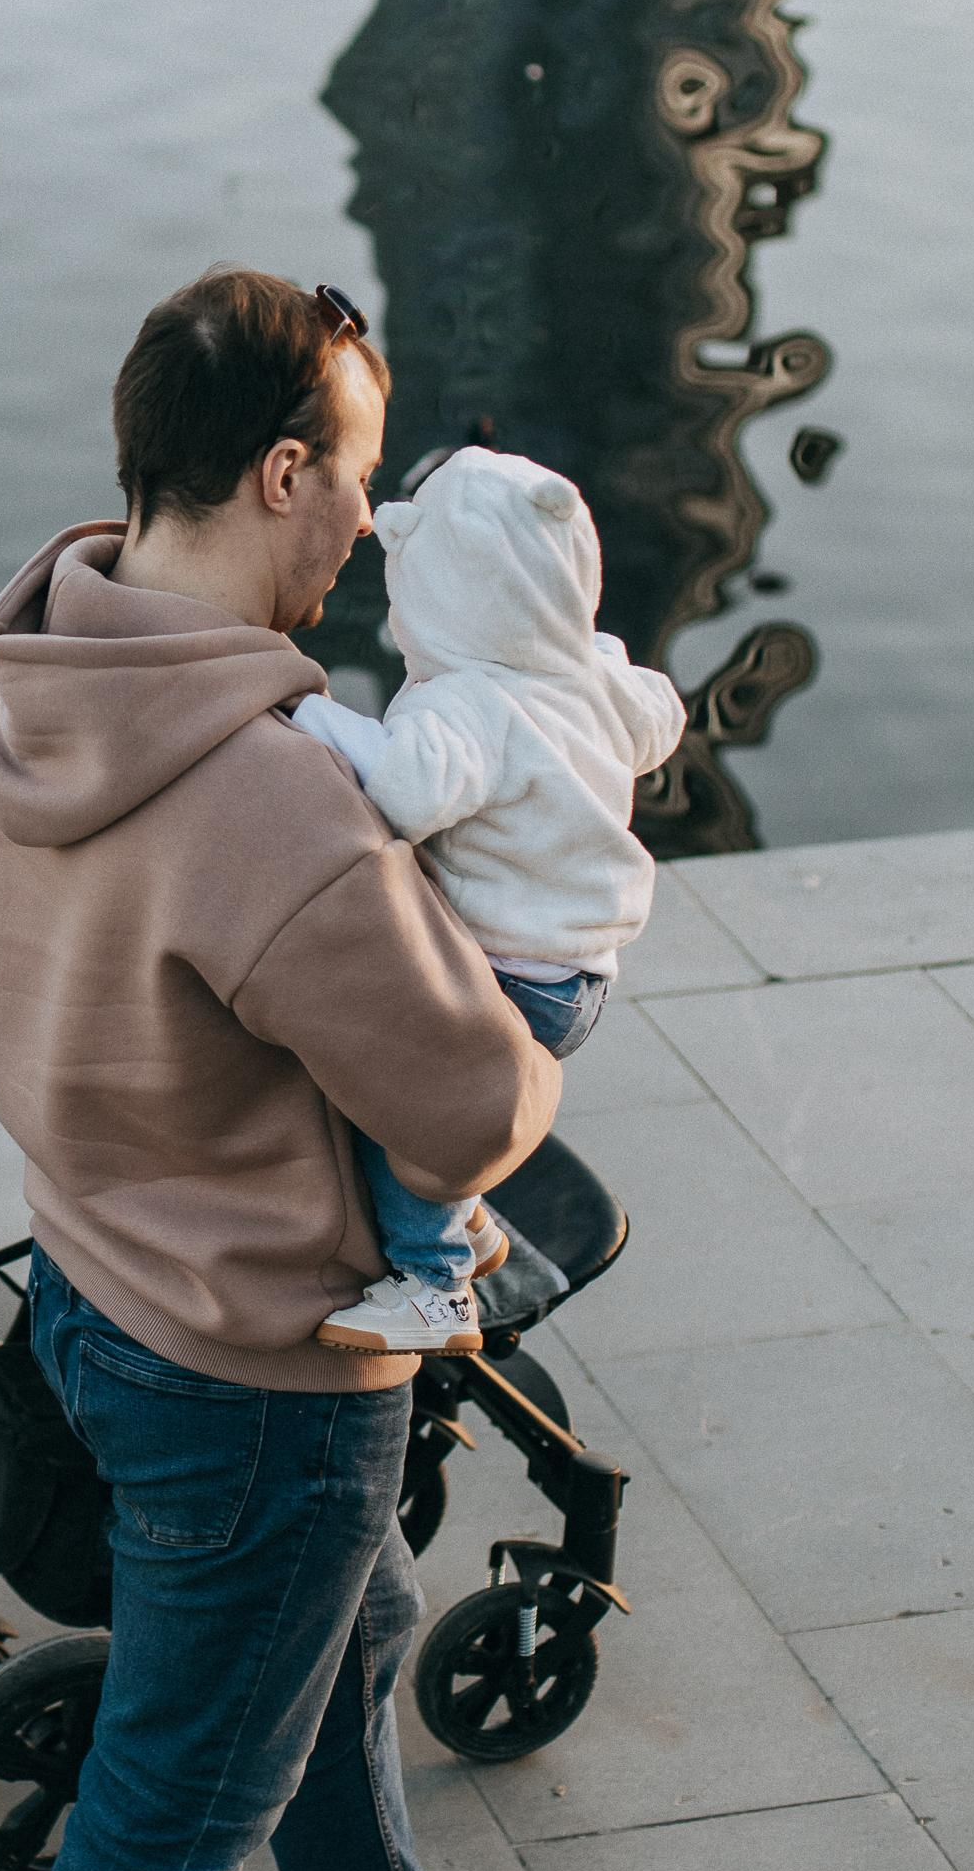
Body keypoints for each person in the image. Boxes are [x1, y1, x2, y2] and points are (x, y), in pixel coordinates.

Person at [0, 268, 622, 1871]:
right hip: (259, 1360)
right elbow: (483, 1099)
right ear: (272, 471)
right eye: (345, 484)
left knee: (342, 1645)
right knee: (177, 1785)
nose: (358, 531)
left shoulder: (35, 645)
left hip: (90, 1266)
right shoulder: (270, 794)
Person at [293, 444, 687, 1357]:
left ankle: (431, 1287)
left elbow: (403, 792)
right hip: (578, 973)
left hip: (507, 967)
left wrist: (310, 713)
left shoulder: (469, 704)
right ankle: (468, 1222)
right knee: (457, 1105)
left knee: (404, 1105)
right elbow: (656, 714)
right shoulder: (588, 679)